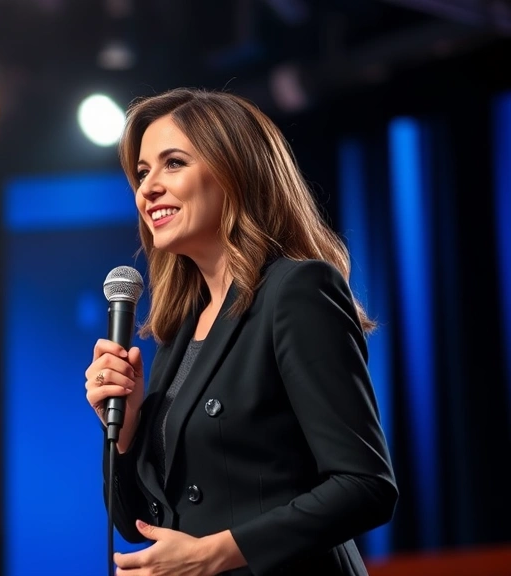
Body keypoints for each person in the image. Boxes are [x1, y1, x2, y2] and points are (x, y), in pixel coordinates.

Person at [83, 87, 398, 576]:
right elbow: (135, 525)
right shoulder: (180, 333)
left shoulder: (296, 290)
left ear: (234, 171)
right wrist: (125, 435)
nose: (147, 188)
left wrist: (215, 552)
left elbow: (366, 485)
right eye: (142, 173)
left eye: (173, 163)